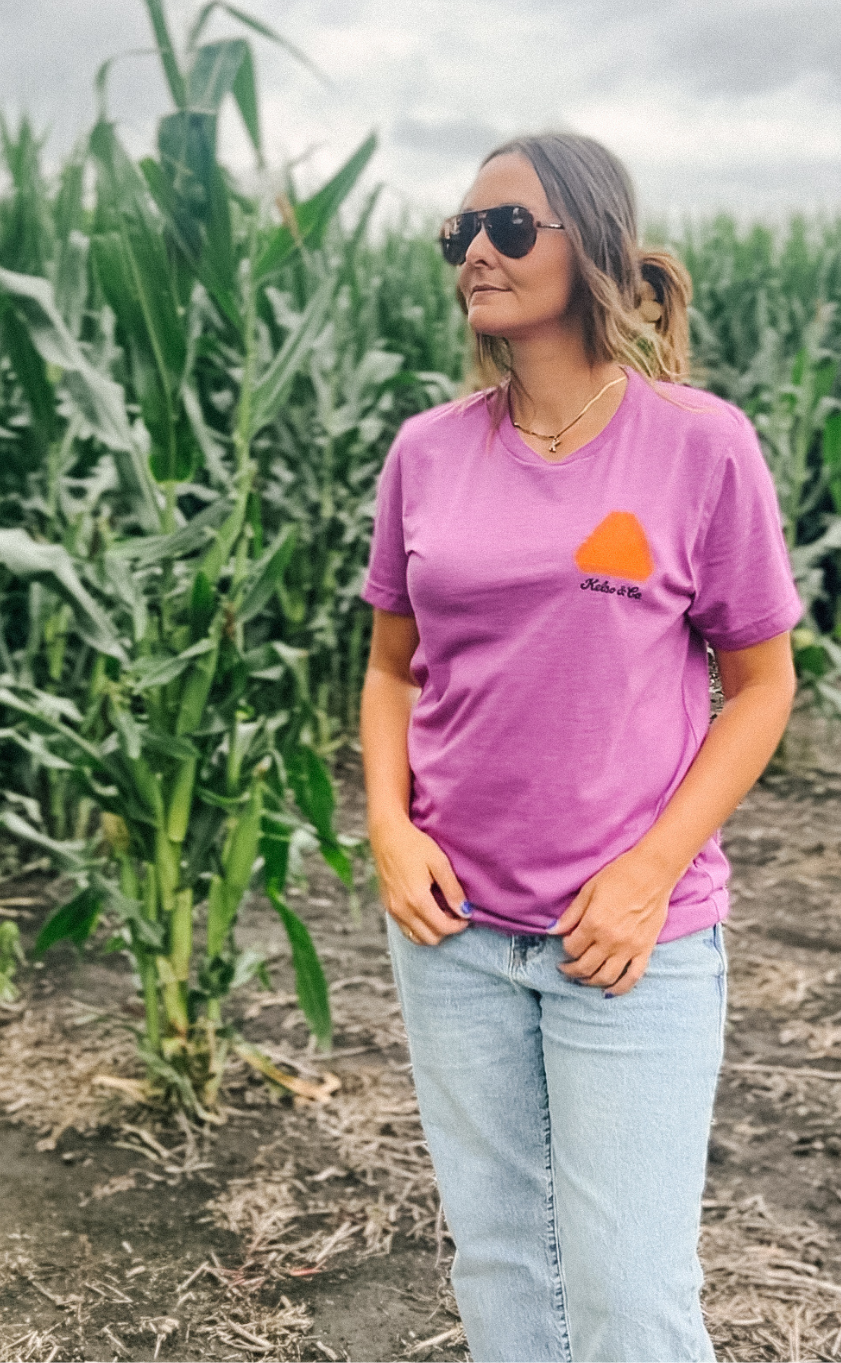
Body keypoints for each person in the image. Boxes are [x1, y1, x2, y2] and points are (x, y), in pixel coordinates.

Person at [359, 132, 801, 1363]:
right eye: (462, 231)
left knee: (628, 1293)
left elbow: (763, 687)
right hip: (453, 935)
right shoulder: (427, 452)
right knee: (497, 1258)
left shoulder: (700, 442)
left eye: (509, 227)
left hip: (631, 941)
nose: (476, 253)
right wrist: (391, 830)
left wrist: (651, 872)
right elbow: (391, 667)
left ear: (593, 243)